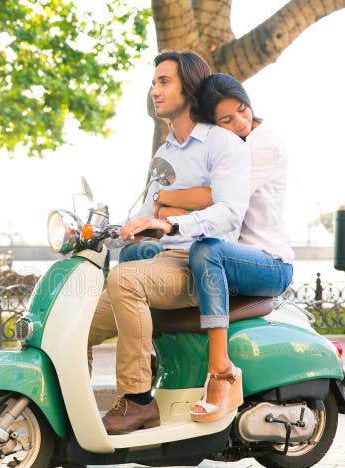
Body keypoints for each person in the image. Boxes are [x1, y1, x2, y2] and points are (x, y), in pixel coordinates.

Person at [87, 51, 251, 435]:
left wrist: (170, 223)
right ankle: (63, 419)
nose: (154, 91)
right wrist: (108, 232)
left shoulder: (222, 143)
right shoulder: (164, 153)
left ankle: (139, 401)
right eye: (154, 82)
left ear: (188, 88)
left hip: (199, 263)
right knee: (76, 323)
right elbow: (146, 216)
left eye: (164, 82)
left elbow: (229, 213)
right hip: (162, 262)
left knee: (126, 279)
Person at [152, 73, 294, 422]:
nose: (240, 123)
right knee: (141, 257)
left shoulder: (265, 145)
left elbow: (219, 198)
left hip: (268, 261)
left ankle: (222, 370)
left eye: (242, 112)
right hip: (234, 257)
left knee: (207, 251)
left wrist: (165, 200)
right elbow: (201, 200)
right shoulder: (223, 147)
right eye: (226, 120)